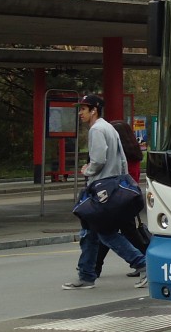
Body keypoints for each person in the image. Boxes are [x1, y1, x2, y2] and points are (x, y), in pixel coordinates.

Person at [62, 94, 147, 290]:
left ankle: (142, 264)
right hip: (111, 186)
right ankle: (86, 276)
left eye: (83, 109)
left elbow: (98, 160)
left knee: (105, 233)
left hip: (100, 188)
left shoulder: (97, 130)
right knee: (90, 232)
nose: (80, 113)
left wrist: (88, 170)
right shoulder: (109, 127)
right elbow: (122, 159)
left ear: (94, 110)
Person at [92, 120, 149, 278]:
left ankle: (145, 263)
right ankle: (95, 267)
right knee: (111, 232)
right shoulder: (134, 154)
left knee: (111, 232)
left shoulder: (120, 157)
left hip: (119, 198)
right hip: (129, 197)